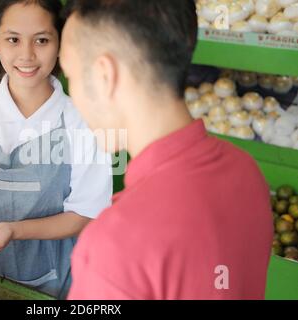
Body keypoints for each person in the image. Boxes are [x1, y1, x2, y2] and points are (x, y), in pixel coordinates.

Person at [60, 0, 273, 299]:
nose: (73, 96)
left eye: (71, 76)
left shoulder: (114, 244)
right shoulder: (246, 172)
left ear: (104, 76)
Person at [0, 0, 112, 299]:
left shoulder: (83, 122)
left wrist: (15, 230)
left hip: (51, 284)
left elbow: (86, 214)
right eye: (13, 39)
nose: (27, 55)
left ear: (60, 43)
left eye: (42, 40)